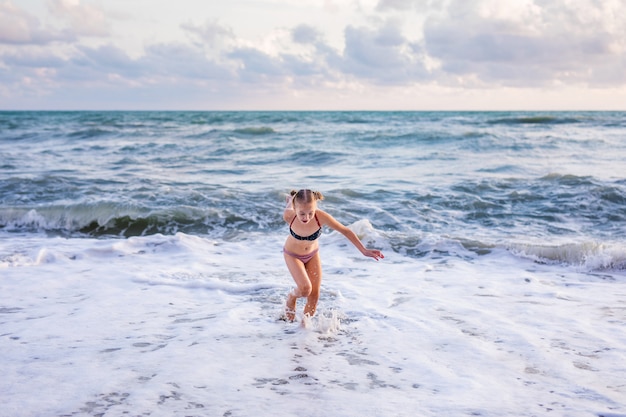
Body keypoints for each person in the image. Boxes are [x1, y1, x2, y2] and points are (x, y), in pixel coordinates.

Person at [282, 189, 384, 322]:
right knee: (305, 289)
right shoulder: (289, 216)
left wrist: (363, 250)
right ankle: (292, 297)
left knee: (314, 296)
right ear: (295, 208)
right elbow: (290, 207)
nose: (306, 218)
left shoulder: (321, 216)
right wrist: (291, 201)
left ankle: (303, 330)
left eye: (310, 213)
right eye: (302, 213)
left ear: (316, 207)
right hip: (293, 255)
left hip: (312, 255)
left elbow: (345, 231)